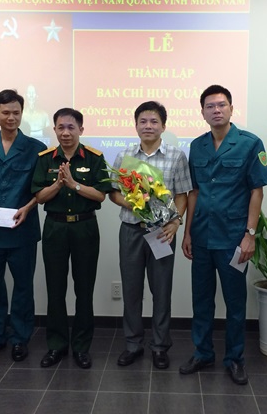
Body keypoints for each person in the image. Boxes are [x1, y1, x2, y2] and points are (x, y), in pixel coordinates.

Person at [179, 85, 267, 385]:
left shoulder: (250, 143)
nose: (216, 110)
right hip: (202, 237)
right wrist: (187, 232)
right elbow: (194, 192)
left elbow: (256, 191)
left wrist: (250, 234)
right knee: (201, 300)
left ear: (232, 108)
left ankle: (234, 359)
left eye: (221, 105)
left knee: (235, 302)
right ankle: (203, 353)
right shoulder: (197, 146)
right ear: (202, 112)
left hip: (233, 238)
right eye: (210, 106)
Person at [109, 101, 192, 369]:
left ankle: (159, 346)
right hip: (131, 230)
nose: (148, 126)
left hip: (162, 232)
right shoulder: (125, 156)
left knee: (162, 291)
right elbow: (113, 193)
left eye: (154, 121)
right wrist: (134, 202)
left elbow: (183, 195)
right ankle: (133, 344)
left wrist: (176, 222)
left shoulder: (176, 156)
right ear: (135, 126)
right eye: (143, 121)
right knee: (132, 291)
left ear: (163, 126)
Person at [31, 108, 113, 369]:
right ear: (54, 130)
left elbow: (101, 195)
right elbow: (39, 197)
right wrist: (58, 184)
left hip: (84, 227)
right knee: (55, 289)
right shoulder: (45, 158)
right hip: (55, 228)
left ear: (81, 129)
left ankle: (81, 346)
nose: (65, 133)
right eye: (60, 127)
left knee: (84, 289)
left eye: (71, 127)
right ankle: (56, 345)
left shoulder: (95, 157)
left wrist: (74, 184)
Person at [0, 89, 46, 363]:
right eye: (5, 112)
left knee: (23, 287)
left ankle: (19, 338)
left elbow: (42, 188)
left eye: (16, 112)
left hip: (22, 231)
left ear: (22, 114)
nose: (11, 117)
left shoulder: (37, 149)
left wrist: (29, 207)